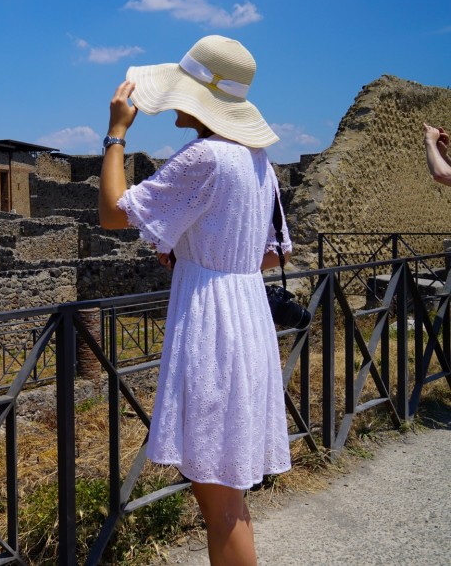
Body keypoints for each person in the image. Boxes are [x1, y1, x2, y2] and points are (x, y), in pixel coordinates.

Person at [98, 35, 292, 566]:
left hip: (213, 327)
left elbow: (113, 213)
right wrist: (201, 256)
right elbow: (273, 253)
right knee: (228, 494)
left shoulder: (205, 156)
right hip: (248, 317)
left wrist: (116, 134)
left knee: (218, 503)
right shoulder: (258, 161)